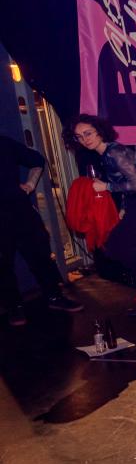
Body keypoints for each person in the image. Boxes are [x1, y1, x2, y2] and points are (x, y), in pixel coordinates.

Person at [64, 114, 136, 298]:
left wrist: (107, 186)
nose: (85, 139)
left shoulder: (114, 152)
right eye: (79, 136)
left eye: (88, 133)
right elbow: (128, 182)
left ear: (99, 131)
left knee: (115, 246)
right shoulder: (106, 153)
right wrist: (124, 207)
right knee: (132, 251)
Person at [0, 135, 83, 325]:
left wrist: (30, 184)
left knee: (40, 253)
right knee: (2, 263)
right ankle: (13, 307)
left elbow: (37, 160)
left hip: (20, 210)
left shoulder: (4, 143)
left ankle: (54, 296)